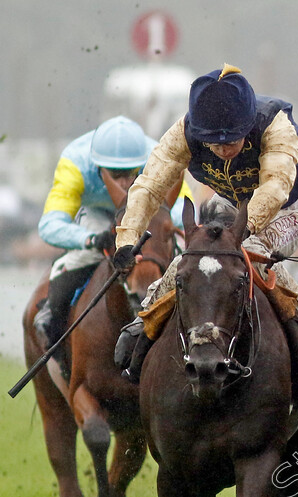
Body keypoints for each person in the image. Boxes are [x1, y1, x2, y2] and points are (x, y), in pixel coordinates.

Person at [112, 64, 298, 413]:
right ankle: (144, 321)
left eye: (232, 140)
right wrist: (127, 239)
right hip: (226, 205)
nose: (223, 149)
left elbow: (275, 186)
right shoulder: (185, 130)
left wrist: (241, 232)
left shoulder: (276, 125)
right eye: (214, 142)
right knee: (193, 260)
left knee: (249, 254)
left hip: (283, 210)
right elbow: (150, 184)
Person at [34, 115, 190, 379]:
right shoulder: (74, 163)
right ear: (96, 168)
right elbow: (50, 224)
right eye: (115, 175)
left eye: (131, 174)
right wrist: (90, 239)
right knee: (72, 262)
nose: (125, 184)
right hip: (97, 215)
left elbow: (180, 210)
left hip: (144, 212)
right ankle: (54, 328)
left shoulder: (160, 158)